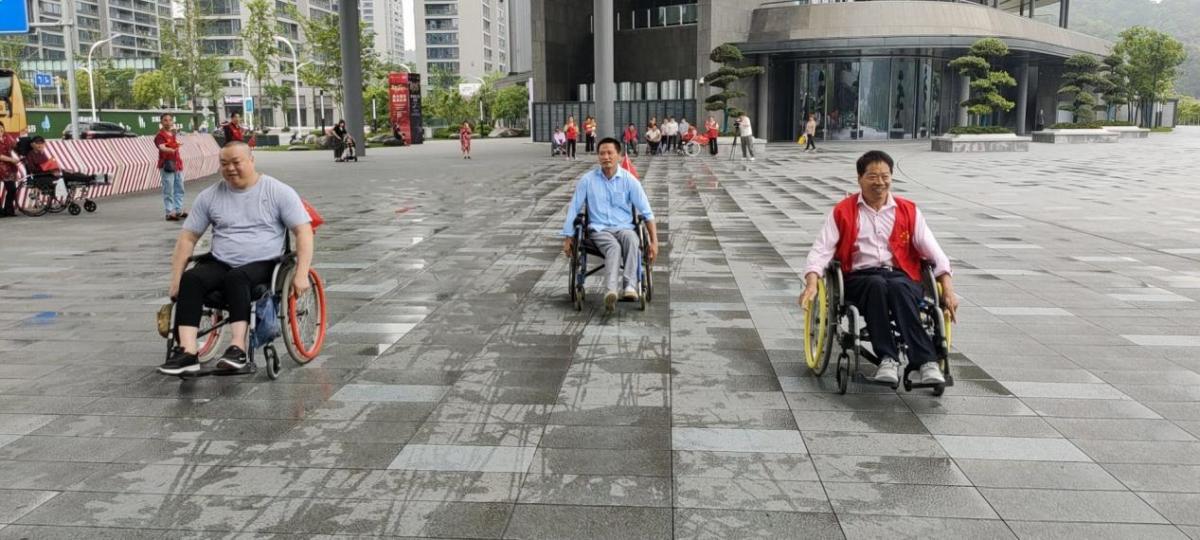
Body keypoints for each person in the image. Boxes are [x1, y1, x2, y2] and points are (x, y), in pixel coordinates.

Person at [800, 150, 958, 385]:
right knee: (876, 285)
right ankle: (888, 358)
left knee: (897, 287)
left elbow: (934, 252)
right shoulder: (843, 211)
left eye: (885, 176)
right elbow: (821, 250)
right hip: (859, 278)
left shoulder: (908, 211)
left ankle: (926, 362)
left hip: (900, 276)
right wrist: (812, 282)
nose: (880, 182)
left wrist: (948, 288)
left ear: (891, 177)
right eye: (873, 177)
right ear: (860, 178)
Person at [158, 141, 314, 376]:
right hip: (221, 260)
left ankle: (238, 347)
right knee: (191, 279)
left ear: (251, 160)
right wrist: (175, 279)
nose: (230, 168)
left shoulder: (277, 191)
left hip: (264, 262)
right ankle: (187, 352)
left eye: (236, 162)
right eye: (224, 164)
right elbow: (187, 238)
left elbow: (303, 232)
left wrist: (302, 273)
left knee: (236, 278)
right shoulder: (210, 196)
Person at [560, 137, 659, 313]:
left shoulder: (629, 181)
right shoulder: (588, 180)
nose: (606, 157)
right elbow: (574, 208)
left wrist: (654, 242)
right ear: (598, 156)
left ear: (619, 156)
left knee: (633, 239)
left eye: (610, 153)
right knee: (613, 247)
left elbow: (647, 213)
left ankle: (629, 286)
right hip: (599, 229)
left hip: (625, 227)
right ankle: (611, 291)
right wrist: (568, 238)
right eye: (602, 153)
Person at [155, 114, 187, 221]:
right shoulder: (160, 135)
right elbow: (161, 147)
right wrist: (171, 149)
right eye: (165, 120)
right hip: (167, 164)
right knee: (168, 189)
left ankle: (178, 210)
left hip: (177, 164)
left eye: (170, 120)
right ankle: (169, 212)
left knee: (180, 188)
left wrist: (176, 145)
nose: (168, 122)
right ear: (161, 122)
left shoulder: (172, 134)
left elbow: (174, 144)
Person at [0, 122, 19, 217]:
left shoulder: (8, 137)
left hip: (8, 167)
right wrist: (12, 159)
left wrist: (20, 153)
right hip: (4, 164)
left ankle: (9, 209)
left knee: (12, 189)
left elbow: (15, 146)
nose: (0, 129)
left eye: (1, 127)